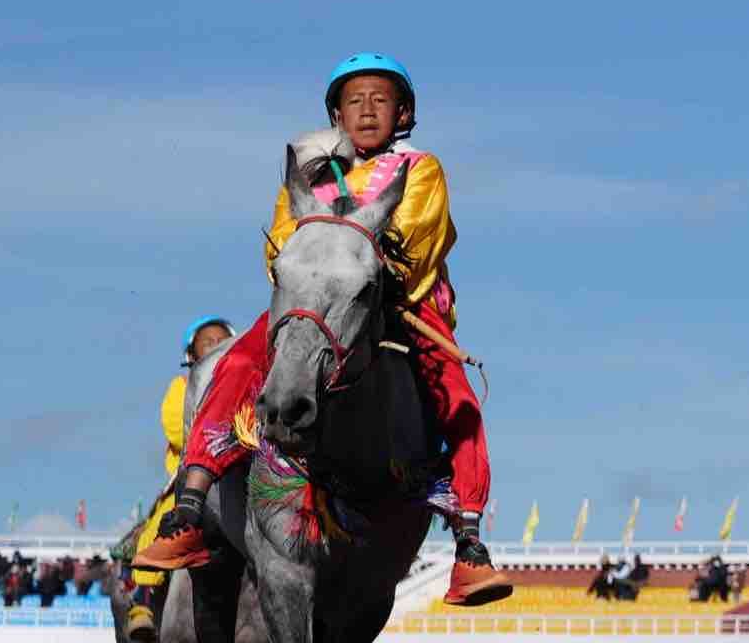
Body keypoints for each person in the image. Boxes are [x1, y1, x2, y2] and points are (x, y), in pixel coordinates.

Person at [166, 54, 508, 606]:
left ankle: (468, 540)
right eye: (355, 101)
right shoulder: (309, 174)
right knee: (236, 362)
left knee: (458, 396)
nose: (367, 110)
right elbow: (282, 242)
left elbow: (415, 237)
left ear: (403, 114)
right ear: (336, 115)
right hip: (311, 303)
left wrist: (357, 266)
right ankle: (190, 501)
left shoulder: (420, 168)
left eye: (380, 100)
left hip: (396, 302)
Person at [112, 313, 241, 643]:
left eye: (222, 340)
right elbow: (177, 428)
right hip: (189, 482)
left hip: (235, 480)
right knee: (157, 530)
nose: (215, 346)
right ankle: (143, 599)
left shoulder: (243, 382)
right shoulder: (180, 387)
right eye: (207, 342)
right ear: (191, 355)